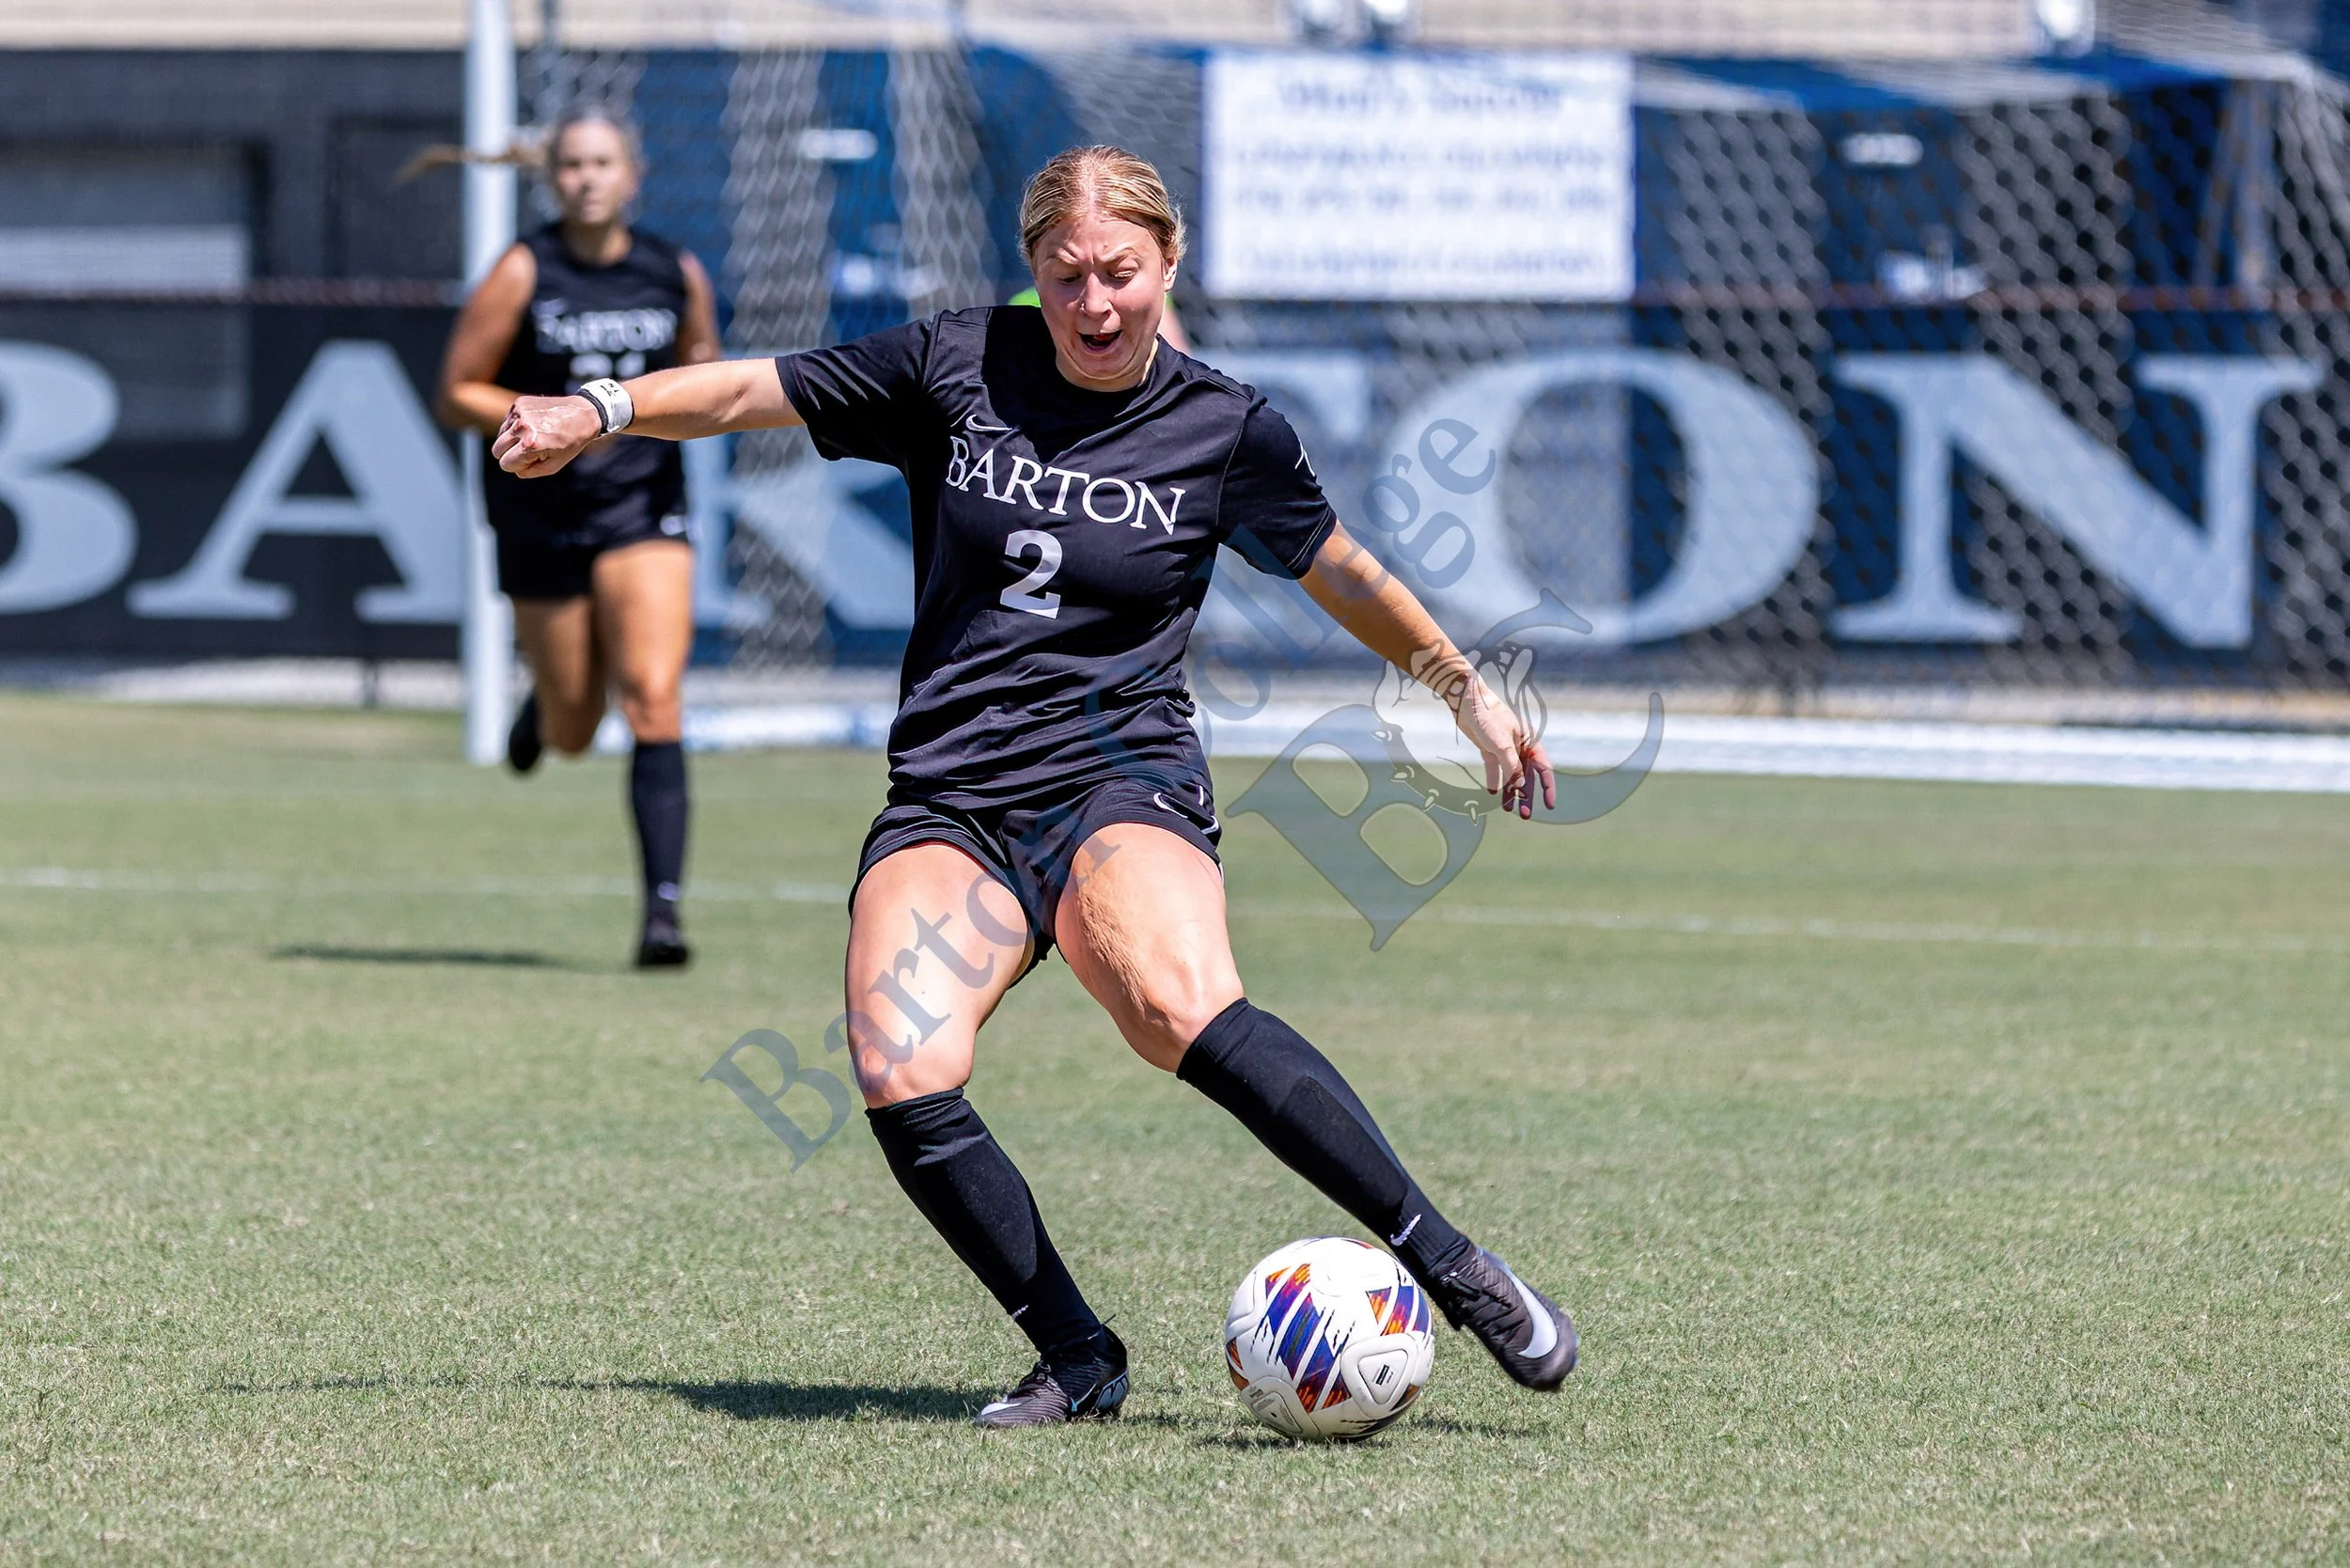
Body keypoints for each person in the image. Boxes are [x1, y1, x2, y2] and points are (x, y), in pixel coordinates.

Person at [492, 145, 1577, 1425]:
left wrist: (1460, 688)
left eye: (1121, 273)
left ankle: (1451, 1264)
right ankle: (1076, 1353)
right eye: (1067, 280)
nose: (1096, 304)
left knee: (1177, 1006)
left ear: (1171, 264)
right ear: (1033, 278)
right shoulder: (957, 365)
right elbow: (748, 392)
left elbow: (1335, 567)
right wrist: (602, 408)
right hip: (954, 794)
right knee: (899, 1063)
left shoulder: (1225, 426)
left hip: (1117, 779)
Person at [435, 110, 720, 967]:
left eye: (602, 163)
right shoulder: (525, 270)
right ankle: (547, 704)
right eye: (570, 165)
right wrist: (549, 420)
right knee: (572, 728)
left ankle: (662, 917)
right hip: (542, 511)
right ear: (550, 178)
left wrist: (646, 415)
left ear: (632, 175)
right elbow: (457, 391)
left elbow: (705, 372)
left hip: (643, 509)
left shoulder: (673, 269)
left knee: (654, 696)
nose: (586, 178)